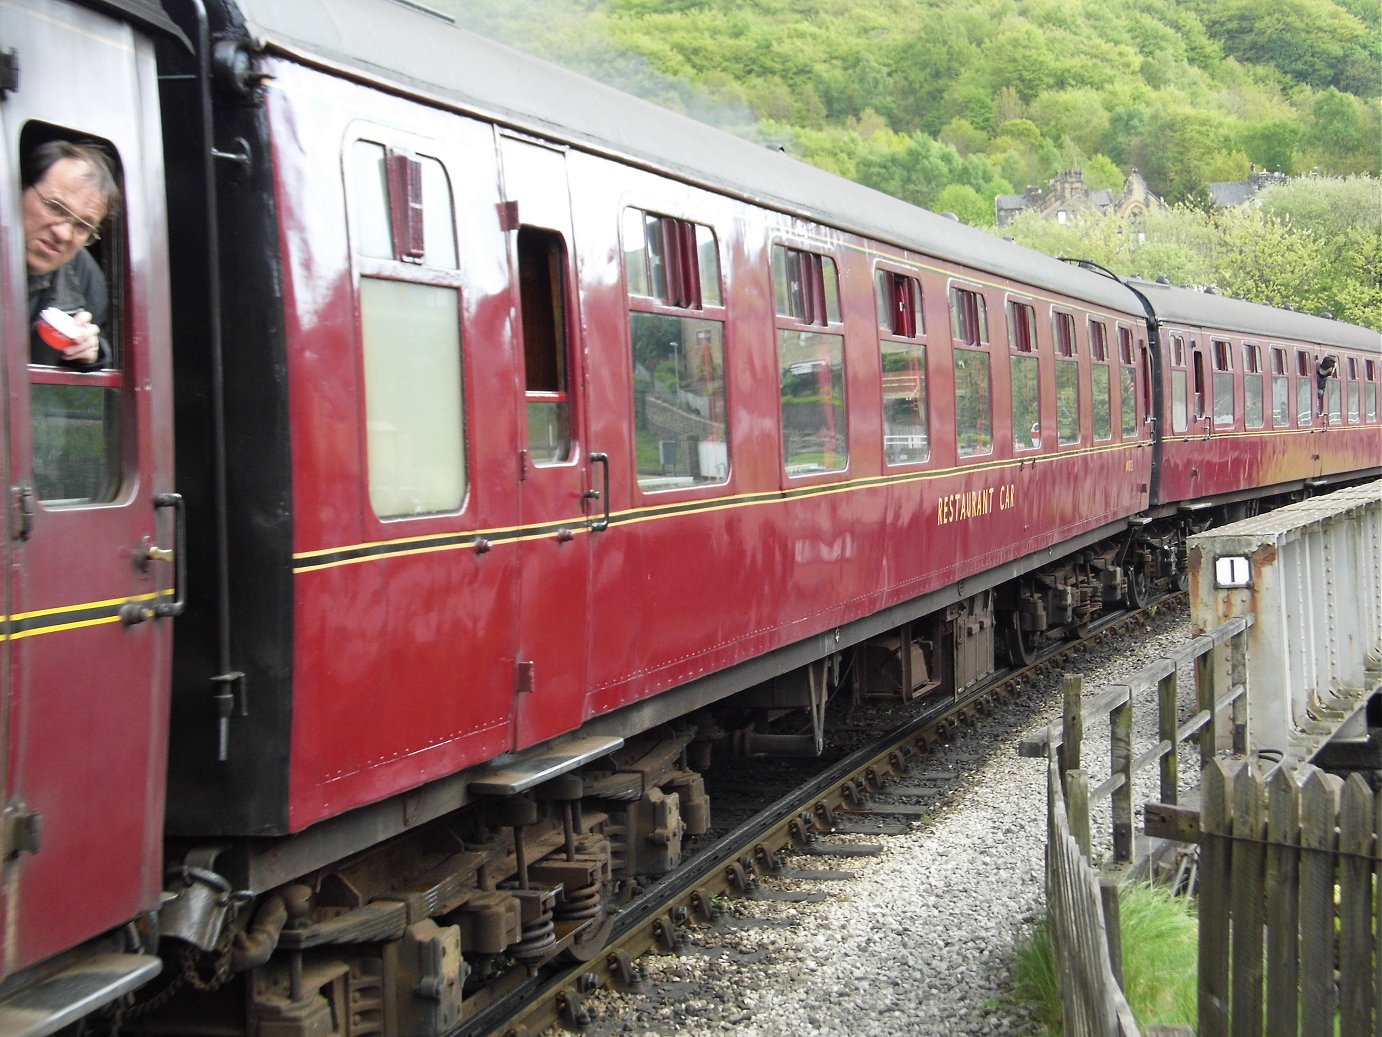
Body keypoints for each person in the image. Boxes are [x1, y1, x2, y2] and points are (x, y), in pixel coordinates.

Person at [22, 140, 120, 368]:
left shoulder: (85, 277)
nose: (64, 234)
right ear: (19, 189)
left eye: (83, 226)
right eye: (55, 208)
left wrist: (90, 352)